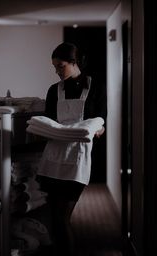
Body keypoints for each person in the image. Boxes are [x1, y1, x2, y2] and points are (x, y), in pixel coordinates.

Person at [36, 42, 107, 256]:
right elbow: (48, 121)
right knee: (53, 218)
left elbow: (103, 119)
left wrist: (98, 129)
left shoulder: (95, 87)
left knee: (62, 217)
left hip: (78, 161)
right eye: (55, 68)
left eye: (61, 66)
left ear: (74, 63)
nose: (57, 72)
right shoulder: (53, 90)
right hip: (52, 160)